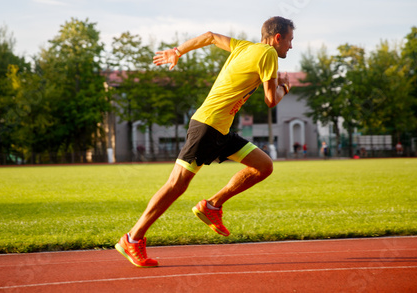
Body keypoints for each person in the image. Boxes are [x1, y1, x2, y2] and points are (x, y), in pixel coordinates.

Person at [115, 16, 295, 267]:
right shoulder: (268, 54)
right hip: (207, 126)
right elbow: (270, 100)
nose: (290, 46)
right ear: (278, 38)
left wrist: (177, 52)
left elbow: (210, 36)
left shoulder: (245, 47)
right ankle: (132, 238)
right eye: (289, 40)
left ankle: (212, 205)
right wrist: (285, 87)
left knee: (263, 166)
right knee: (176, 185)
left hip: (220, 129)